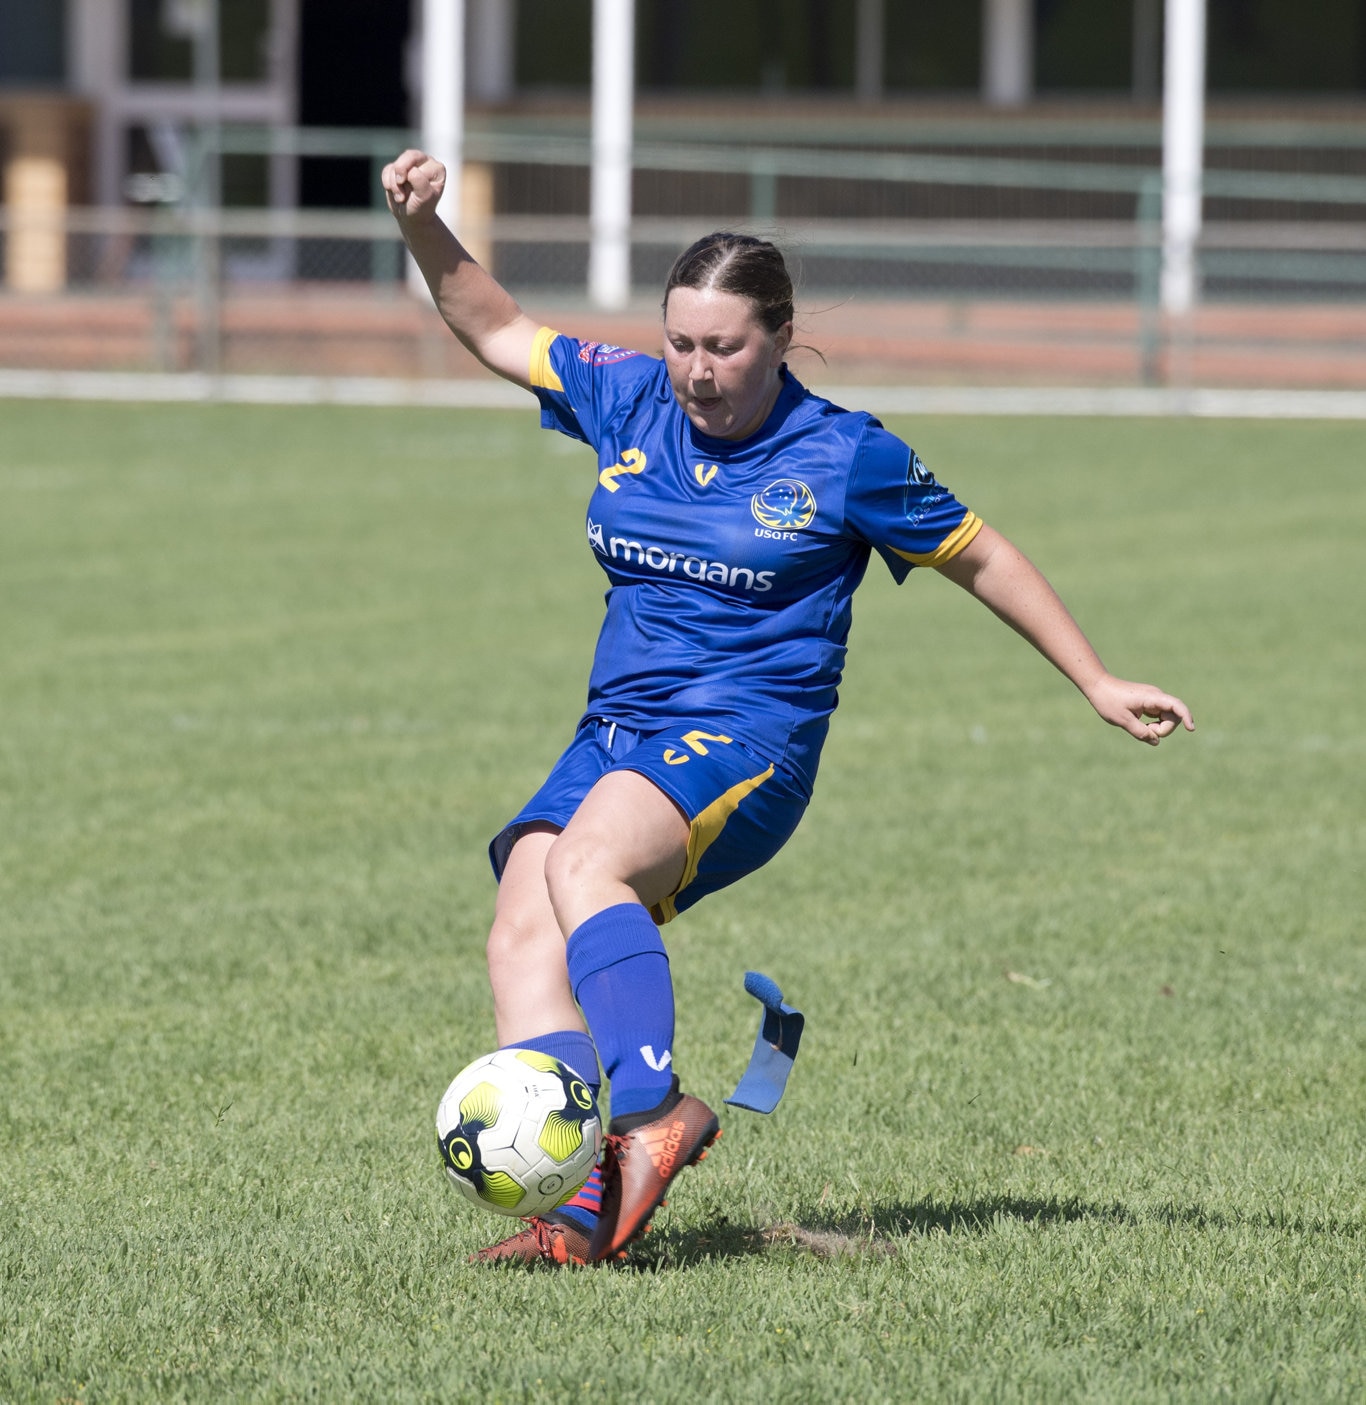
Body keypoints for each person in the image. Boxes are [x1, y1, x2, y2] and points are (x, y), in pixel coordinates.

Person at [382, 148, 1195, 1268]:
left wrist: (1096, 677)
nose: (697, 370)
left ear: (779, 337)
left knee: (585, 871)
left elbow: (980, 554)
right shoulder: (624, 395)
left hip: (748, 740)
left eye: (724, 347)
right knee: (521, 928)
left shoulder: (844, 453)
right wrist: (426, 226)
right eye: (681, 342)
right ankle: (576, 1212)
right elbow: (492, 323)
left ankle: (649, 1111)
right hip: (613, 729)